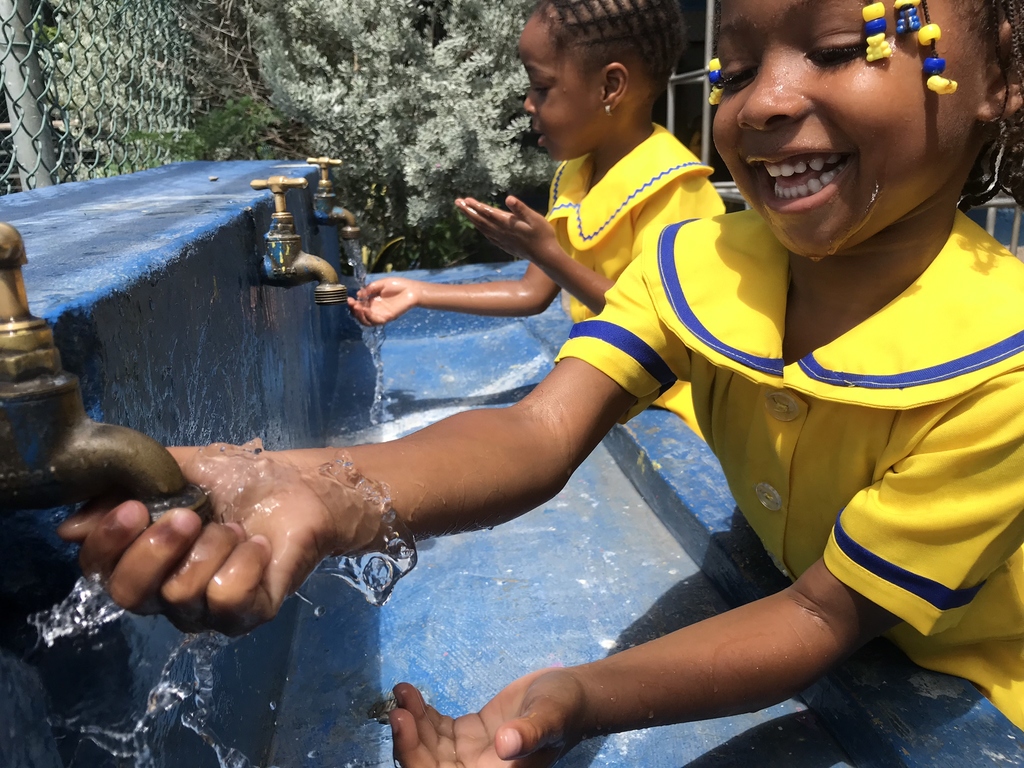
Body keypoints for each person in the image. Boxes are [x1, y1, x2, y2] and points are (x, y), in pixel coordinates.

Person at [58, 0, 1024, 764]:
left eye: (840, 45)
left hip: (973, 693)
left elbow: (822, 615)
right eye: (733, 66)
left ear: (1001, 76)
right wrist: (310, 485)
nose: (763, 101)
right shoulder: (705, 264)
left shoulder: (1003, 365)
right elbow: (534, 436)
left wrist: (582, 693)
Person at [347, 0, 724, 434]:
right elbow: (532, 292)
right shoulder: (577, 174)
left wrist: (550, 256)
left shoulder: (675, 190)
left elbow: (663, 329)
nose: (528, 104)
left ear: (610, 87)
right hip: (613, 386)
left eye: (541, 87)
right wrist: (418, 292)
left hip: (673, 410)